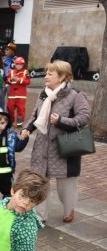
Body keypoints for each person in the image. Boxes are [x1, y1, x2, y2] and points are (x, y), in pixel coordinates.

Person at [20, 60, 91, 223]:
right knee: (39, 183)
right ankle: (39, 216)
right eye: (46, 73)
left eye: (50, 73)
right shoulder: (43, 93)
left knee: (65, 187)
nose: (46, 76)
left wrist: (61, 121)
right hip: (42, 147)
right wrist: (27, 129)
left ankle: (69, 209)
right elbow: (35, 115)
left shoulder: (76, 95)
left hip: (65, 148)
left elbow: (84, 118)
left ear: (62, 76)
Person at [0, 108, 29, 203]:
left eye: (2, 123)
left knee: (7, 192)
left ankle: (6, 208)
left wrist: (25, 139)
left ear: (6, 123)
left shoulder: (11, 135)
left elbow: (18, 148)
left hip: (6, 172)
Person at [6, 57, 30, 126]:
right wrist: (11, 79)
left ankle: (19, 123)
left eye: (20, 64)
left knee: (21, 110)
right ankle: (11, 121)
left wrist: (19, 80)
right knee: (9, 108)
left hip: (21, 95)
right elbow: (7, 81)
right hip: (12, 94)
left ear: (23, 65)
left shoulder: (26, 72)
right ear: (15, 64)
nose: (18, 66)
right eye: (17, 64)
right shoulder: (12, 71)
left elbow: (28, 82)